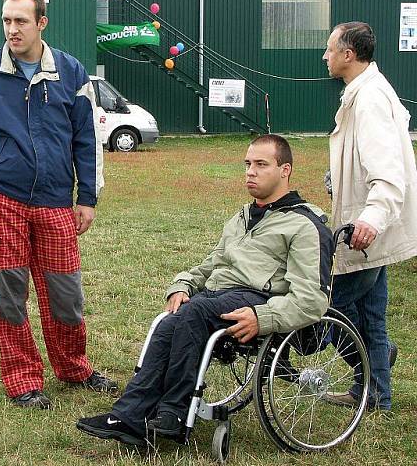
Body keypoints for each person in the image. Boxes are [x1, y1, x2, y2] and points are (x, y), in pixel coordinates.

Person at [77, 135, 331, 444]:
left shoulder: (304, 224)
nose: (250, 171)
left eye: (261, 165)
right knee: (170, 320)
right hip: (217, 293)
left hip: (258, 299)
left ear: (285, 170)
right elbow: (212, 264)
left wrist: (262, 317)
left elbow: (311, 300)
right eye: (247, 164)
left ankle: (173, 413)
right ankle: (130, 415)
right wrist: (182, 284)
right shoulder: (242, 218)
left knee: (194, 311)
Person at [0, 0, 112, 408]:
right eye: (7, 20)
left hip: (55, 203)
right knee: (10, 294)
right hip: (3, 202)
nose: (12, 29)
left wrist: (86, 197)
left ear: (41, 24)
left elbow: (86, 142)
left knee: (65, 294)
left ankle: (73, 367)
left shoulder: (70, 73)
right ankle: (22, 379)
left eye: (21, 21)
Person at [322, 21, 416, 412]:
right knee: (371, 317)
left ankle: (377, 360)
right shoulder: (366, 92)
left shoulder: (370, 99)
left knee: (328, 310)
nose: (324, 56)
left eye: (329, 49)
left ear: (348, 54)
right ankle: (376, 393)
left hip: (365, 232)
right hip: (368, 227)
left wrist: (372, 219)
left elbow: (388, 172)